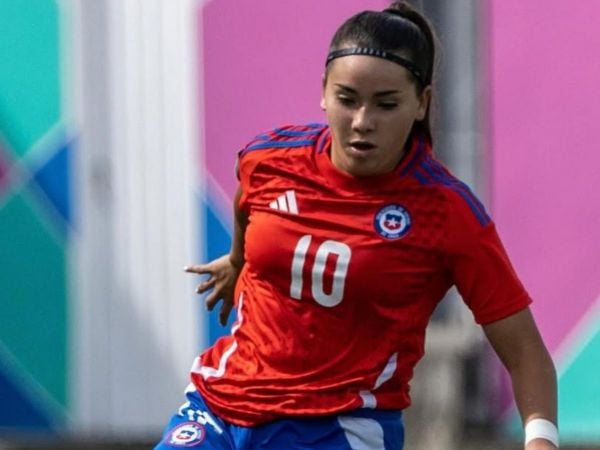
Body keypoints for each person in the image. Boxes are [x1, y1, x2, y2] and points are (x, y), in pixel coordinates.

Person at [155, 2, 558, 449]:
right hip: (219, 405)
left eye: (386, 105)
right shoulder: (269, 158)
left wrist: (541, 440)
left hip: (336, 429)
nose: (362, 122)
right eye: (347, 99)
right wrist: (237, 260)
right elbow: (246, 203)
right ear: (324, 92)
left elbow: (526, 353)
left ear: (422, 103)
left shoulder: (447, 212)